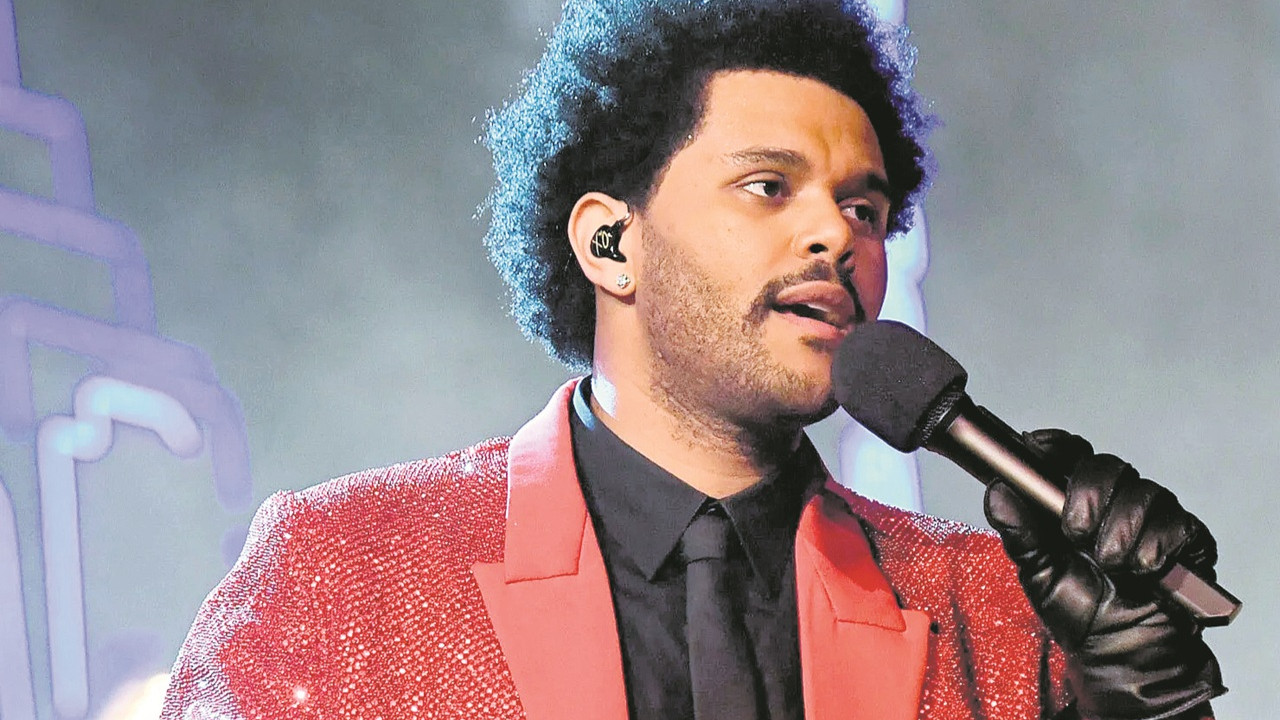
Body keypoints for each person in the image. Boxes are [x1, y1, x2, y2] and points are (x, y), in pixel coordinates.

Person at [162, 1, 1226, 718]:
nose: (836, 234)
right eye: (769, 186)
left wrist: (1138, 703)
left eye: (863, 208)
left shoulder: (990, 607)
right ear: (608, 242)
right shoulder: (346, 569)